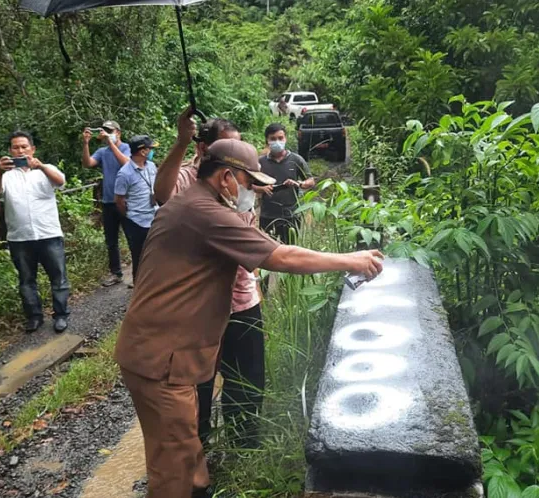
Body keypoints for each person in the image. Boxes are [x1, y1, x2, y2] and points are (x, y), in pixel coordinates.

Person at [115, 138, 384, 498]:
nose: (252, 190)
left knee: (187, 446)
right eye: (248, 182)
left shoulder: (190, 203)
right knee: (172, 464)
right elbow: (281, 258)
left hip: (160, 352)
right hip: (161, 358)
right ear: (226, 177)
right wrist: (351, 260)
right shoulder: (205, 213)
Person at [153, 109, 263, 449]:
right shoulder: (188, 181)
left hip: (242, 299)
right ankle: (197, 452)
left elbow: (251, 225)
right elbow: (161, 193)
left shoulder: (244, 181)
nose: (237, 161)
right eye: (228, 150)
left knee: (248, 378)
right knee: (197, 380)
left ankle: (245, 446)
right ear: (205, 152)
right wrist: (181, 141)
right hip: (199, 308)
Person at [0, 131, 70, 333]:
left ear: (32, 149)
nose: (20, 150)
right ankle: (34, 317)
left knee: (58, 278)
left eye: (24, 146)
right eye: (16, 147)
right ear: (10, 151)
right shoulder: (6, 175)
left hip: (48, 233)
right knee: (26, 280)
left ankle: (61, 315)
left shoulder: (46, 169)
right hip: (20, 237)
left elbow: (60, 182)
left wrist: (40, 166)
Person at [82, 120, 131, 287]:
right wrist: (86, 143)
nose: (107, 133)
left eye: (110, 131)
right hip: (108, 202)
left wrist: (111, 143)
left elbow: (127, 164)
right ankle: (115, 273)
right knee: (111, 240)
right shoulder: (102, 152)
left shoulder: (126, 148)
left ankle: (139, 274)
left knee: (133, 237)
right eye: (105, 131)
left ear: (118, 133)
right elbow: (88, 163)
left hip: (126, 201)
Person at [255, 122, 316, 243]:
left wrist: (298, 184)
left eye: (280, 138)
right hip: (268, 215)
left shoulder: (296, 159)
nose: (277, 141)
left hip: (291, 215)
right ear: (267, 141)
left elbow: (311, 181)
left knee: (290, 249)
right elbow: (248, 184)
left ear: (285, 138)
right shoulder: (260, 162)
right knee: (268, 250)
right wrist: (262, 189)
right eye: (273, 139)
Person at [114, 135, 159, 286]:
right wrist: (129, 216)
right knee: (139, 258)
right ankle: (139, 292)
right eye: (150, 149)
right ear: (142, 151)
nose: (152, 151)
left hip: (154, 218)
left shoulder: (152, 166)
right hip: (136, 222)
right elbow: (119, 200)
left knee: (156, 256)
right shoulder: (124, 173)